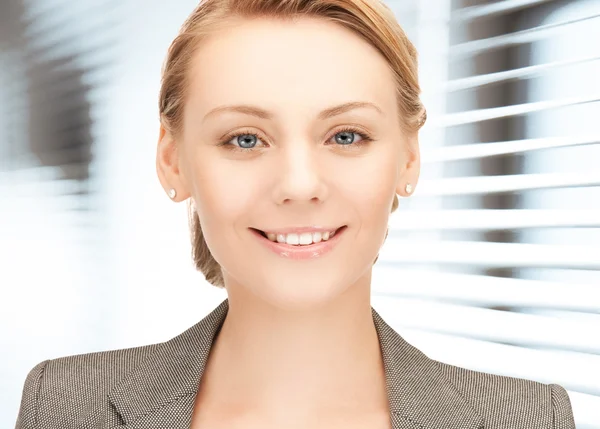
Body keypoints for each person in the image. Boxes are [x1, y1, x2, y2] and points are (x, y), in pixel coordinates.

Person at [15, 0, 576, 428]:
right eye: (244, 140)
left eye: (347, 135)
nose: (299, 185)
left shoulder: (529, 417)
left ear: (409, 157)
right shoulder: (66, 403)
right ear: (172, 161)